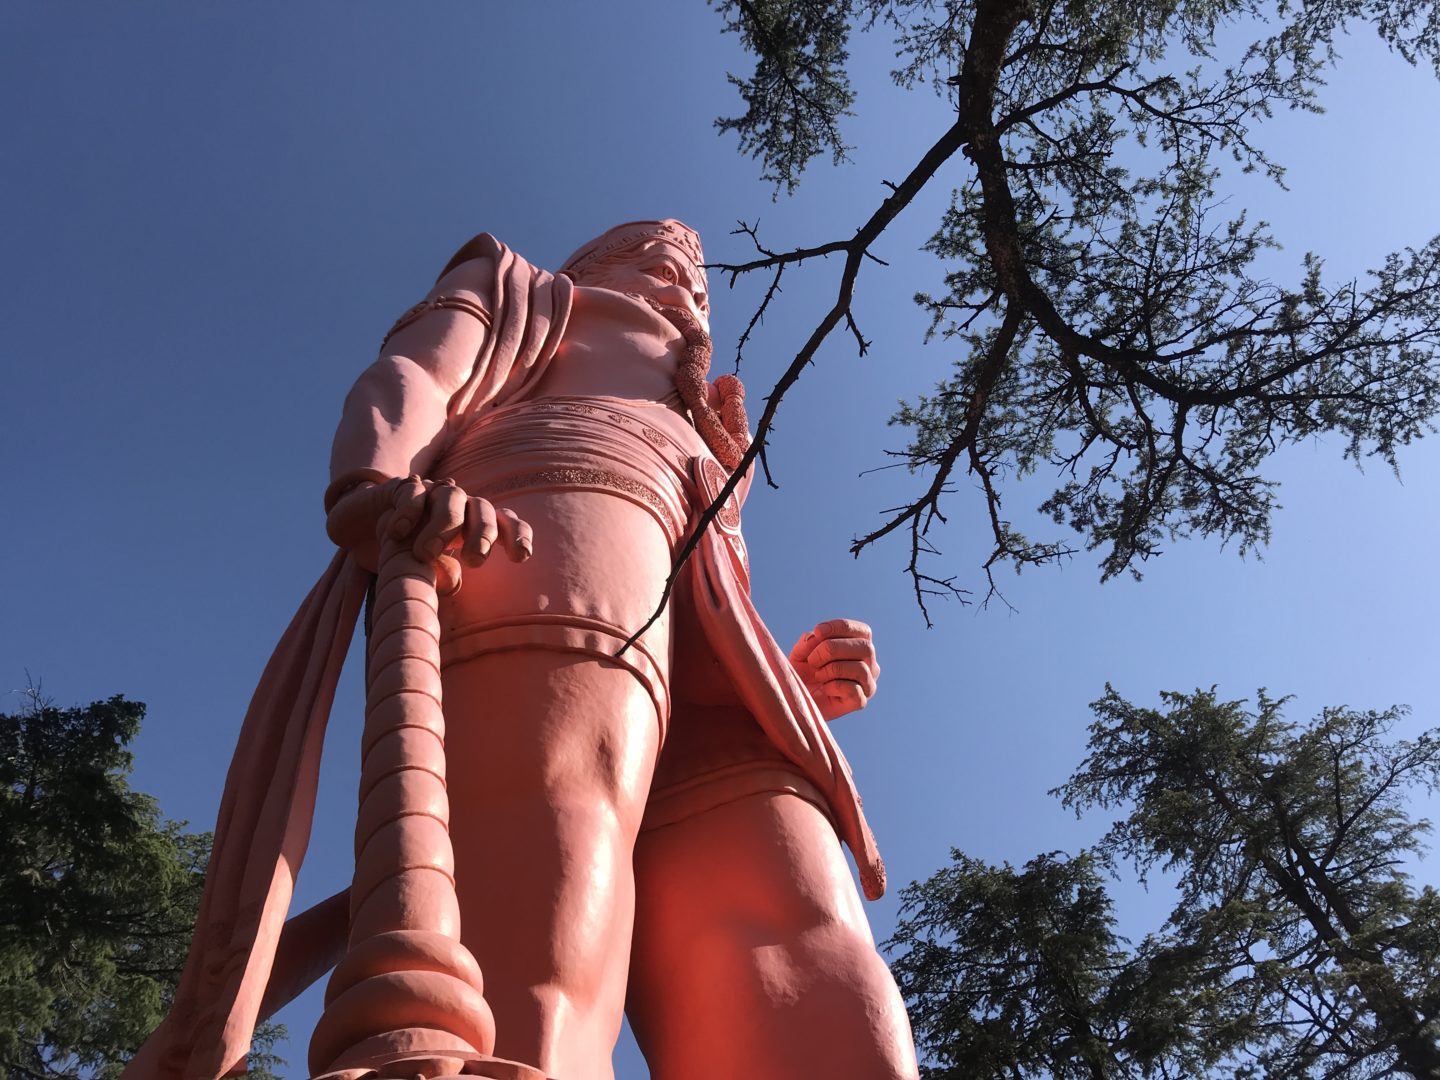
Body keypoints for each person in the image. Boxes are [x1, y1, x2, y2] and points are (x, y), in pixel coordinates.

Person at [129, 221, 918, 1080]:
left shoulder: (708, 417)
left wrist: (786, 683)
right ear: (592, 265)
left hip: (717, 663)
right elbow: (420, 371)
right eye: (659, 264)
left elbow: (713, 582)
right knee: (549, 891)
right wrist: (379, 484)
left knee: (806, 949)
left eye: (698, 288)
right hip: (549, 511)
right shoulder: (528, 290)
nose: (685, 292)